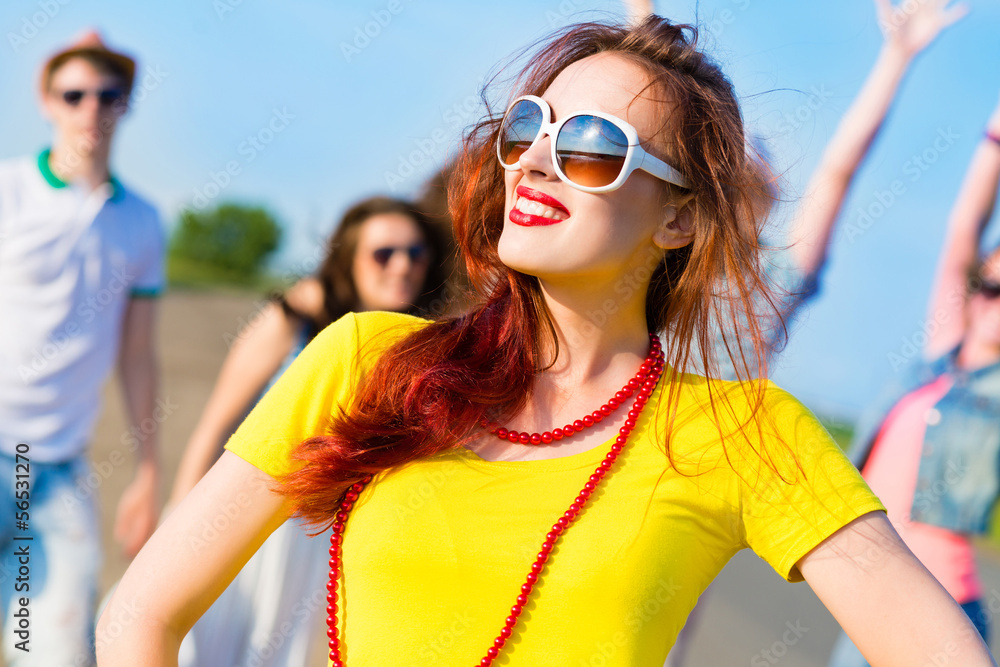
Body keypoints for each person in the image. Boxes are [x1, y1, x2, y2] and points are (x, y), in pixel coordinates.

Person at [98, 17, 995, 666]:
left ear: (679, 218)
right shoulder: (364, 358)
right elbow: (140, 613)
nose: (532, 159)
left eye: (593, 147)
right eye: (529, 126)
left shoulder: (742, 431)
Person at [667, 0, 966, 661]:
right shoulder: (665, 251)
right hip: (635, 432)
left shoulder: (778, 273)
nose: (754, 163)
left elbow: (839, 169)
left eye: (761, 162)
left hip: (709, 462)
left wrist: (896, 56)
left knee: (668, 618)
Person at [167, 196, 450, 667]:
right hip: (250, 514)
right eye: (384, 253)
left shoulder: (425, 345)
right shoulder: (294, 319)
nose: (403, 265)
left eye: (415, 253)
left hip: (330, 536)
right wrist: (178, 524)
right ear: (350, 259)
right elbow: (214, 424)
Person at [0, 31, 165, 666]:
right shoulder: (10, 190)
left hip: (63, 468)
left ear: (126, 104)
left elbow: (138, 354)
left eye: (108, 94)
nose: (90, 109)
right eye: (73, 94)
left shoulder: (142, 221)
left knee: (60, 649)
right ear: (47, 101)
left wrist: (148, 473)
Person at [827, 94, 1000, 666]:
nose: (995, 304)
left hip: (944, 612)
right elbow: (964, 227)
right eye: (991, 286)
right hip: (872, 597)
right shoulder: (938, 356)